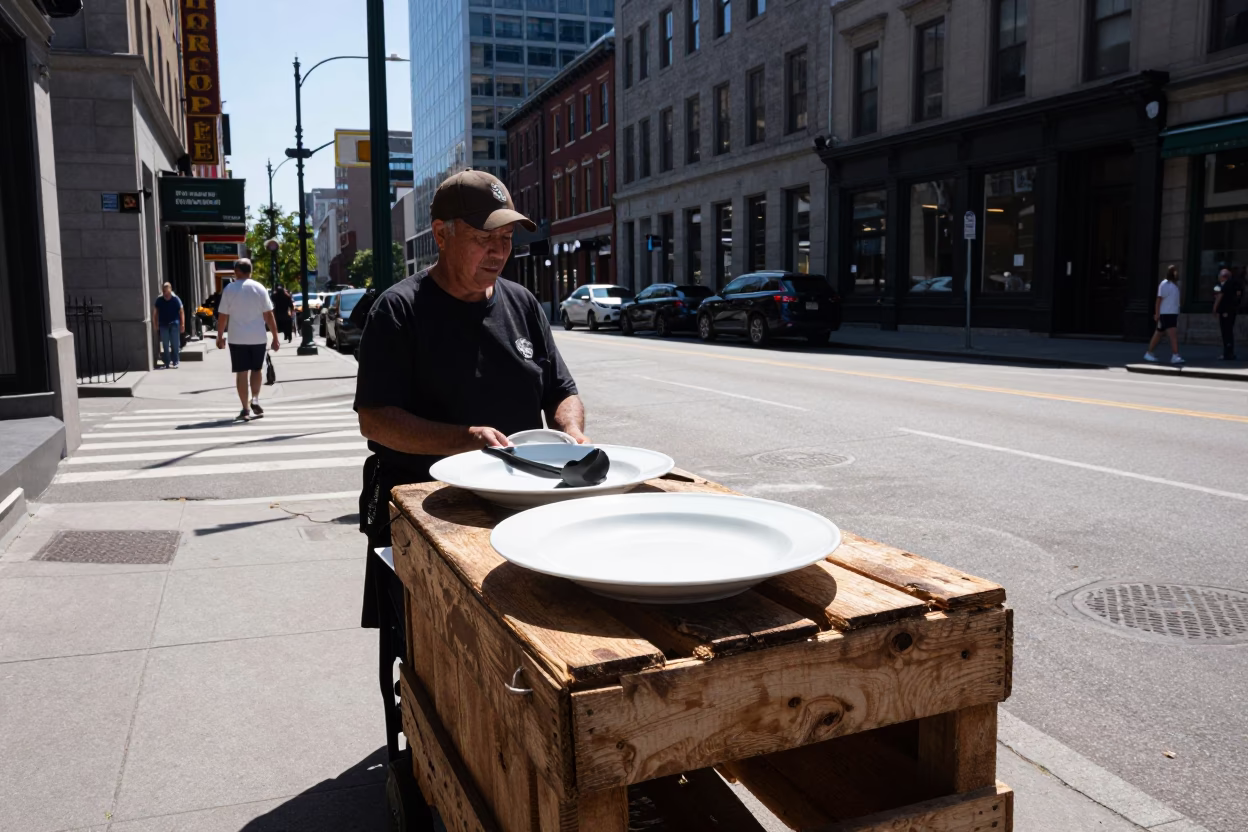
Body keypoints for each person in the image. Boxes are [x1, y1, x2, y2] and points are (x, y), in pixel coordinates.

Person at [352, 171, 588, 754]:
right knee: (435, 647)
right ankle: (439, 741)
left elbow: (561, 388)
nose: (500, 251)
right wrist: (464, 439)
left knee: (525, 643)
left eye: (507, 239)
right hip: (427, 512)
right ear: (441, 233)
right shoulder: (399, 310)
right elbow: (375, 419)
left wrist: (571, 432)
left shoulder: (523, 304)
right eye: (486, 237)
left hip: (521, 509)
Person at [215, 258, 280, 421]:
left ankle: (245, 408)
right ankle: (256, 398)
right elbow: (269, 315)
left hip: (237, 338)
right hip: (258, 337)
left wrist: (220, 336)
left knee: (241, 373)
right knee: (257, 370)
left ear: (237, 271)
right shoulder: (259, 288)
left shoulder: (229, 289)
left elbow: (223, 315)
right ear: (250, 271)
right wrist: (275, 337)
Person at [1144, 265, 1185, 365]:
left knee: (1158, 333)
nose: (1176, 273)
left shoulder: (1175, 285)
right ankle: (1175, 355)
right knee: (1172, 335)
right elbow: (1158, 300)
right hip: (1167, 313)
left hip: (1171, 313)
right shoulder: (1164, 284)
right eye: (1174, 271)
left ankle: (1149, 353)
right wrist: (1157, 313)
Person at [1212, 268, 1242, 361]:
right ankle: (1230, 352)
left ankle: (1227, 354)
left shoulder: (1226, 285)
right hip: (1232, 311)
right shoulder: (1235, 284)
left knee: (1226, 332)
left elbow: (1219, 297)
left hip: (1225, 311)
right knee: (1229, 332)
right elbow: (1239, 295)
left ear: (1223, 277)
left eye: (1220, 276)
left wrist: (1214, 309)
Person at [152, 282, 185, 368]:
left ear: (170, 290)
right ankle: (167, 362)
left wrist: (182, 324)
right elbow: (155, 313)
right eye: (164, 291)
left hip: (174, 324)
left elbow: (181, 312)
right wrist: (155, 324)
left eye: (167, 291)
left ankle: (175, 361)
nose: (165, 293)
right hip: (163, 325)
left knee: (175, 344)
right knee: (165, 345)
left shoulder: (176, 299)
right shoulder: (159, 300)